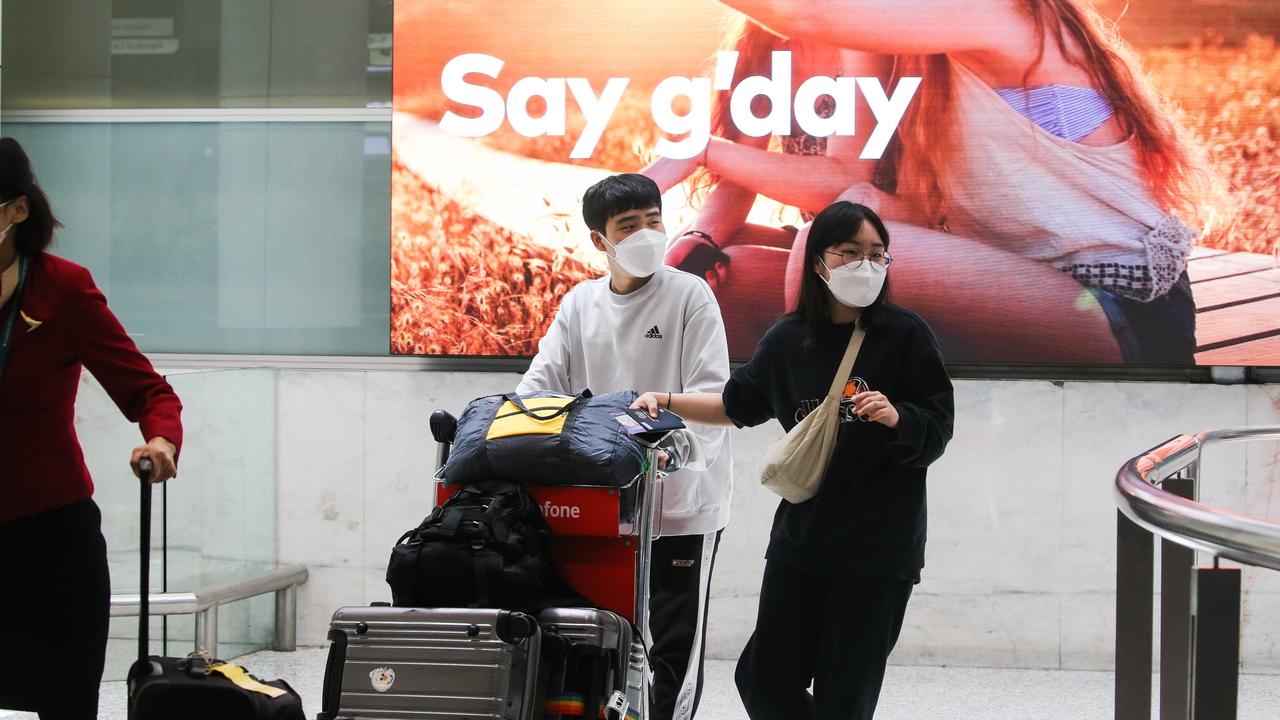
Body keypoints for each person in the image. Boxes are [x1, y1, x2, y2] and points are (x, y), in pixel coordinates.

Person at [647, 0, 1220, 364]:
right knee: (731, 278)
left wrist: (701, 148)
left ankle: (836, 483)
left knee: (836, 247)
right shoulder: (925, 55)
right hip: (1016, 284)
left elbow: (810, 13)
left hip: (1117, 312)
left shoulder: (1004, 12)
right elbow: (847, 173)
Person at [633, 202, 954, 719]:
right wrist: (667, 401)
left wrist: (900, 417)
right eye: (850, 253)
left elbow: (938, 429)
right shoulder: (788, 339)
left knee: (843, 696)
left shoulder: (906, 335)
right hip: (801, 542)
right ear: (818, 261)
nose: (865, 265)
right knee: (761, 677)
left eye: (877, 255)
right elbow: (736, 406)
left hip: (878, 550)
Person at [517, 173, 732, 720]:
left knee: (672, 646)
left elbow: (711, 395)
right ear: (600, 240)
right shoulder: (579, 304)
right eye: (628, 226)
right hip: (599, 506)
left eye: (653, 221)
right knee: (601, 636)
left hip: (681, 505)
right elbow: (538, 389)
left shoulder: (690, 294)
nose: (646, 234)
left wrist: (674, 457)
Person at [0, 137, 183, 719]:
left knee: (64, 696)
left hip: (49, 536)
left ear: (17, 210)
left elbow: (148, 390)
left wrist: (161, 439)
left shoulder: (63, 289)